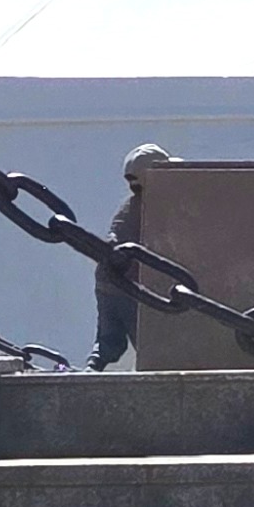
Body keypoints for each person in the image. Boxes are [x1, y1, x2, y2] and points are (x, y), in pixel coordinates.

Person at [88, 142, 171, 370]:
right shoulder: (152, 206)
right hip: (130, 287)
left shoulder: (130, 207)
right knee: (148, 345)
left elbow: (114, 237)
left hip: (108, 281)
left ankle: (94, 364)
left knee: (109, 340)